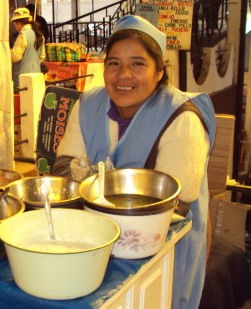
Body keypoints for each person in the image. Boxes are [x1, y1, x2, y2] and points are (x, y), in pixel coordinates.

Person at [51, 15, 216, 309]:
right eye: (113, 63)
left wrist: (90, 183)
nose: (123, 75)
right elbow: (63, 171)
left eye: (138, 63)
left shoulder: (182, 118)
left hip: (163, 248)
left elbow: (175, 204)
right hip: (92, 239)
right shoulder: (89, 104)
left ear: (159, 70)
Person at [10, 7, 46, 89]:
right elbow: (42, 57)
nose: (15, 27)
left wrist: (6, 52)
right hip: (36, 74)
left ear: (19, 22)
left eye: (14, 24)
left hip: (23, 76)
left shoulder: (23, 35)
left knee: (23, 99)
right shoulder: (40, 35)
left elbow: (16, 56)